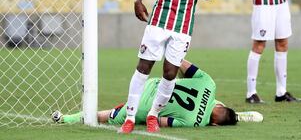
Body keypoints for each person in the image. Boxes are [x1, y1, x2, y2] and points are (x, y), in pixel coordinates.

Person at [121, 0, 217, 133]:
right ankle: (130, 117)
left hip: (183, 24)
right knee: (143, 67)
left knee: (170, 72)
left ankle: (154, 114)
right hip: (158, 19)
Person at [52, 60, 263, 127]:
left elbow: (181, 63)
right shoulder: (191, 122)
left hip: (154, 83)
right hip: (146, 107)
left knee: (209, 94)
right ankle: (64, 119)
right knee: (105, 116)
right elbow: (161, 121)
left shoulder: (209, 84)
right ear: (215, 124)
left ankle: (66, 119)